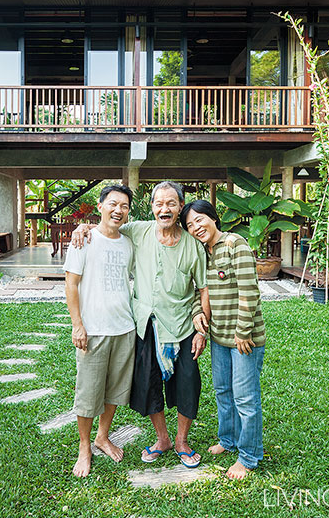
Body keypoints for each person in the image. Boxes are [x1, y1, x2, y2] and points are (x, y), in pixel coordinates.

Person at [73, 181, 209, 468]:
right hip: (145, 324)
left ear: (180, 207)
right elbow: (108, 226)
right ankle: (163, 439)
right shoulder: (138, 231)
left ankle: (182, 441)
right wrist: (82, 227)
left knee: (188, 384)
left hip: (181, 324)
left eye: (171, 203)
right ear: (151, 208)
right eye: (158, 203)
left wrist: (201, 328)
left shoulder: (193, 245)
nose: (164, 209)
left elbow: (202, 288)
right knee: (148, 386)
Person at [180, 199, 266, 480]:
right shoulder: (204, 254)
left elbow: (249, 292)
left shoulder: (235, 244)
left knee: (245, 398)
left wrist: (243, 332)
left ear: (213, 218)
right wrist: (197, 315)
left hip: (244, 339)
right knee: (223, 392)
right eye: (190, 225)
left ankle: (249, 455)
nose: (196, 227)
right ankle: (228, 440)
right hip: (218, 338)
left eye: (199, 220)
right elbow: (198, 292)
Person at [64, 184, 136, 478]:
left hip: (125, 327)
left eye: (125, 206)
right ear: (101, 205)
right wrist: (77, 324)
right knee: (88, 392)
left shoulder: (129, 242)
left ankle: (102, 437)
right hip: (93, 329)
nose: (118, 210)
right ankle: (84, 447)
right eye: (113, 204)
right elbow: (71, 284)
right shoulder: (84, 240)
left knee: (115, 391)